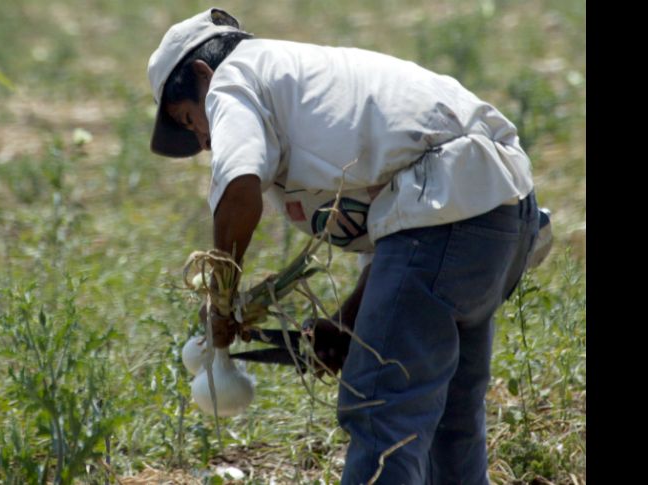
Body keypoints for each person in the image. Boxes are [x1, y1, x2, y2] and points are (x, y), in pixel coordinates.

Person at [147, 8, 550, 484]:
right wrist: (350, 320)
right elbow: (398, 233)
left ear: (201, 74)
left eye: (189, 119)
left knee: (380, 410)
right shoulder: (301, 80)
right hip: (499, 219)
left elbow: (238, 190)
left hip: (447, 213)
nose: (203, 138)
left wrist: (222, 301)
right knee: (450, 420)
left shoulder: (232, 81)